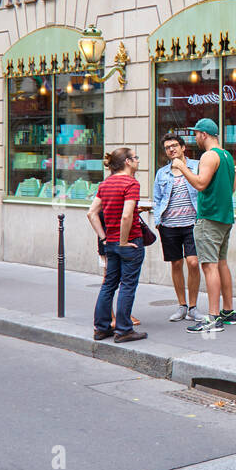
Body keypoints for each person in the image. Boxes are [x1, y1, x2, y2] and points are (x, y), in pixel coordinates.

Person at [177, 118, 236, 335]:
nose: (195, 138)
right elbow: (232, 187)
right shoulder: (226, 156)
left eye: (196, 134)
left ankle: (212, 317)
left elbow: (201, 184)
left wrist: (182, 167)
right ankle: (228, 311)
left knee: (209, 266)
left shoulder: (208, 156)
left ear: (204, 134)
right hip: (224, 217)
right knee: (221, 263)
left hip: (209, 217)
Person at [87, 147, 147, 343]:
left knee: (109, 284)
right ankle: (123, 330)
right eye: (135, 158)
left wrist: (104, 237)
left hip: (110, 242)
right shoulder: (131, 183)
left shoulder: (105, 184)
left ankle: (101, 328)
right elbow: (127, 214)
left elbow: (91, 213)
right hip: (129, 242)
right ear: (128, 162)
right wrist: (123, 240)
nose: (138, 161)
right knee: (127, 285)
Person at [153, 133, 202, 322]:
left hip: (192, 223)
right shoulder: (162, 173)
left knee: (193, 262)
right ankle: (182, 306)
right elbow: (157, 199)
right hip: (169, 225)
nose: (171, 149)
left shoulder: (196, 166)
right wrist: (158, 220)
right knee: (176, 264)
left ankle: (193, 307)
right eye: (167, 147)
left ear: (183, 147)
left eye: (174, 145)